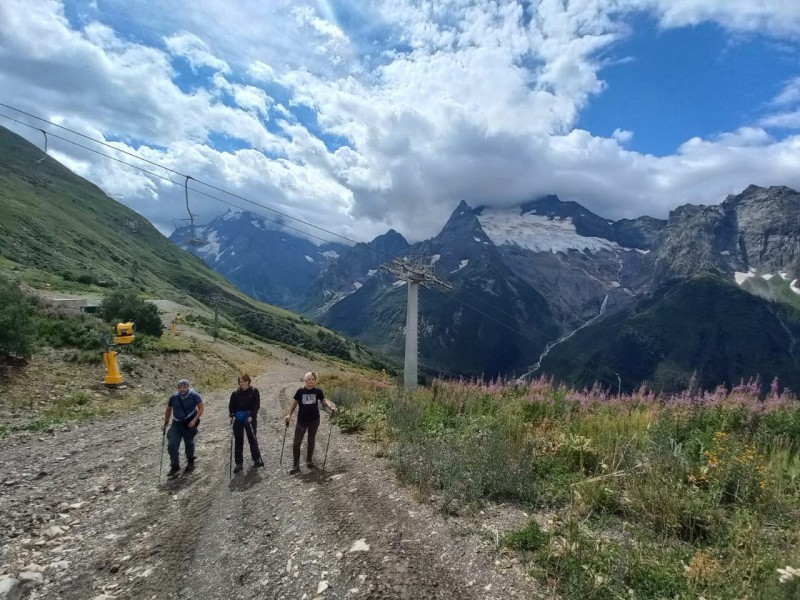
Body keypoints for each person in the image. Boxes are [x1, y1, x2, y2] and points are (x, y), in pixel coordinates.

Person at [284, 371, 337, 474]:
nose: (311, 381)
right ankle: (295, 466)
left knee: (311, 440)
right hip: (302, 420)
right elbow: (295, 403)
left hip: (314, 420)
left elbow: (324, 401)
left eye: (313, 379)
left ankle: (309, 460)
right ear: (305, 380)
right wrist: (289, 415)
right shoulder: (300, 391)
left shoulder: (318, 391)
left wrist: (331, 407)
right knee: (296, 443)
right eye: (309, 379)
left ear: (315, 380)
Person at [162, 378, 204, 476]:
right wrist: (166, 421)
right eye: (180, 387)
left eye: (184, 387)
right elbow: (168, 409)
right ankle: (174, 465)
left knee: (188, 442)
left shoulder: (194, 395)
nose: (182, 389)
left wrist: (194, 420)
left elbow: (201, 408)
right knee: (172, 444)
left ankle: (190, 461)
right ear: (177, 388)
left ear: (188, 387)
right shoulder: (173, 397)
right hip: (176, 423)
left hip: (189, 422)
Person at [229, 373, 264, 472]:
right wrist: (232, 416)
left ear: (248, 381)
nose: (243, 383)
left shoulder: (254, 391)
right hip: (238, 420)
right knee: (238, 441)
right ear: (239, 382)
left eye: (245, 381)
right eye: (241, 381)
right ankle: (239, 463)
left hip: (250, 419)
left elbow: (256, 405)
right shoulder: (235, 394)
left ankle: (256, 459)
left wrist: (252, 416)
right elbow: (231, 406)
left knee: (252, 438)